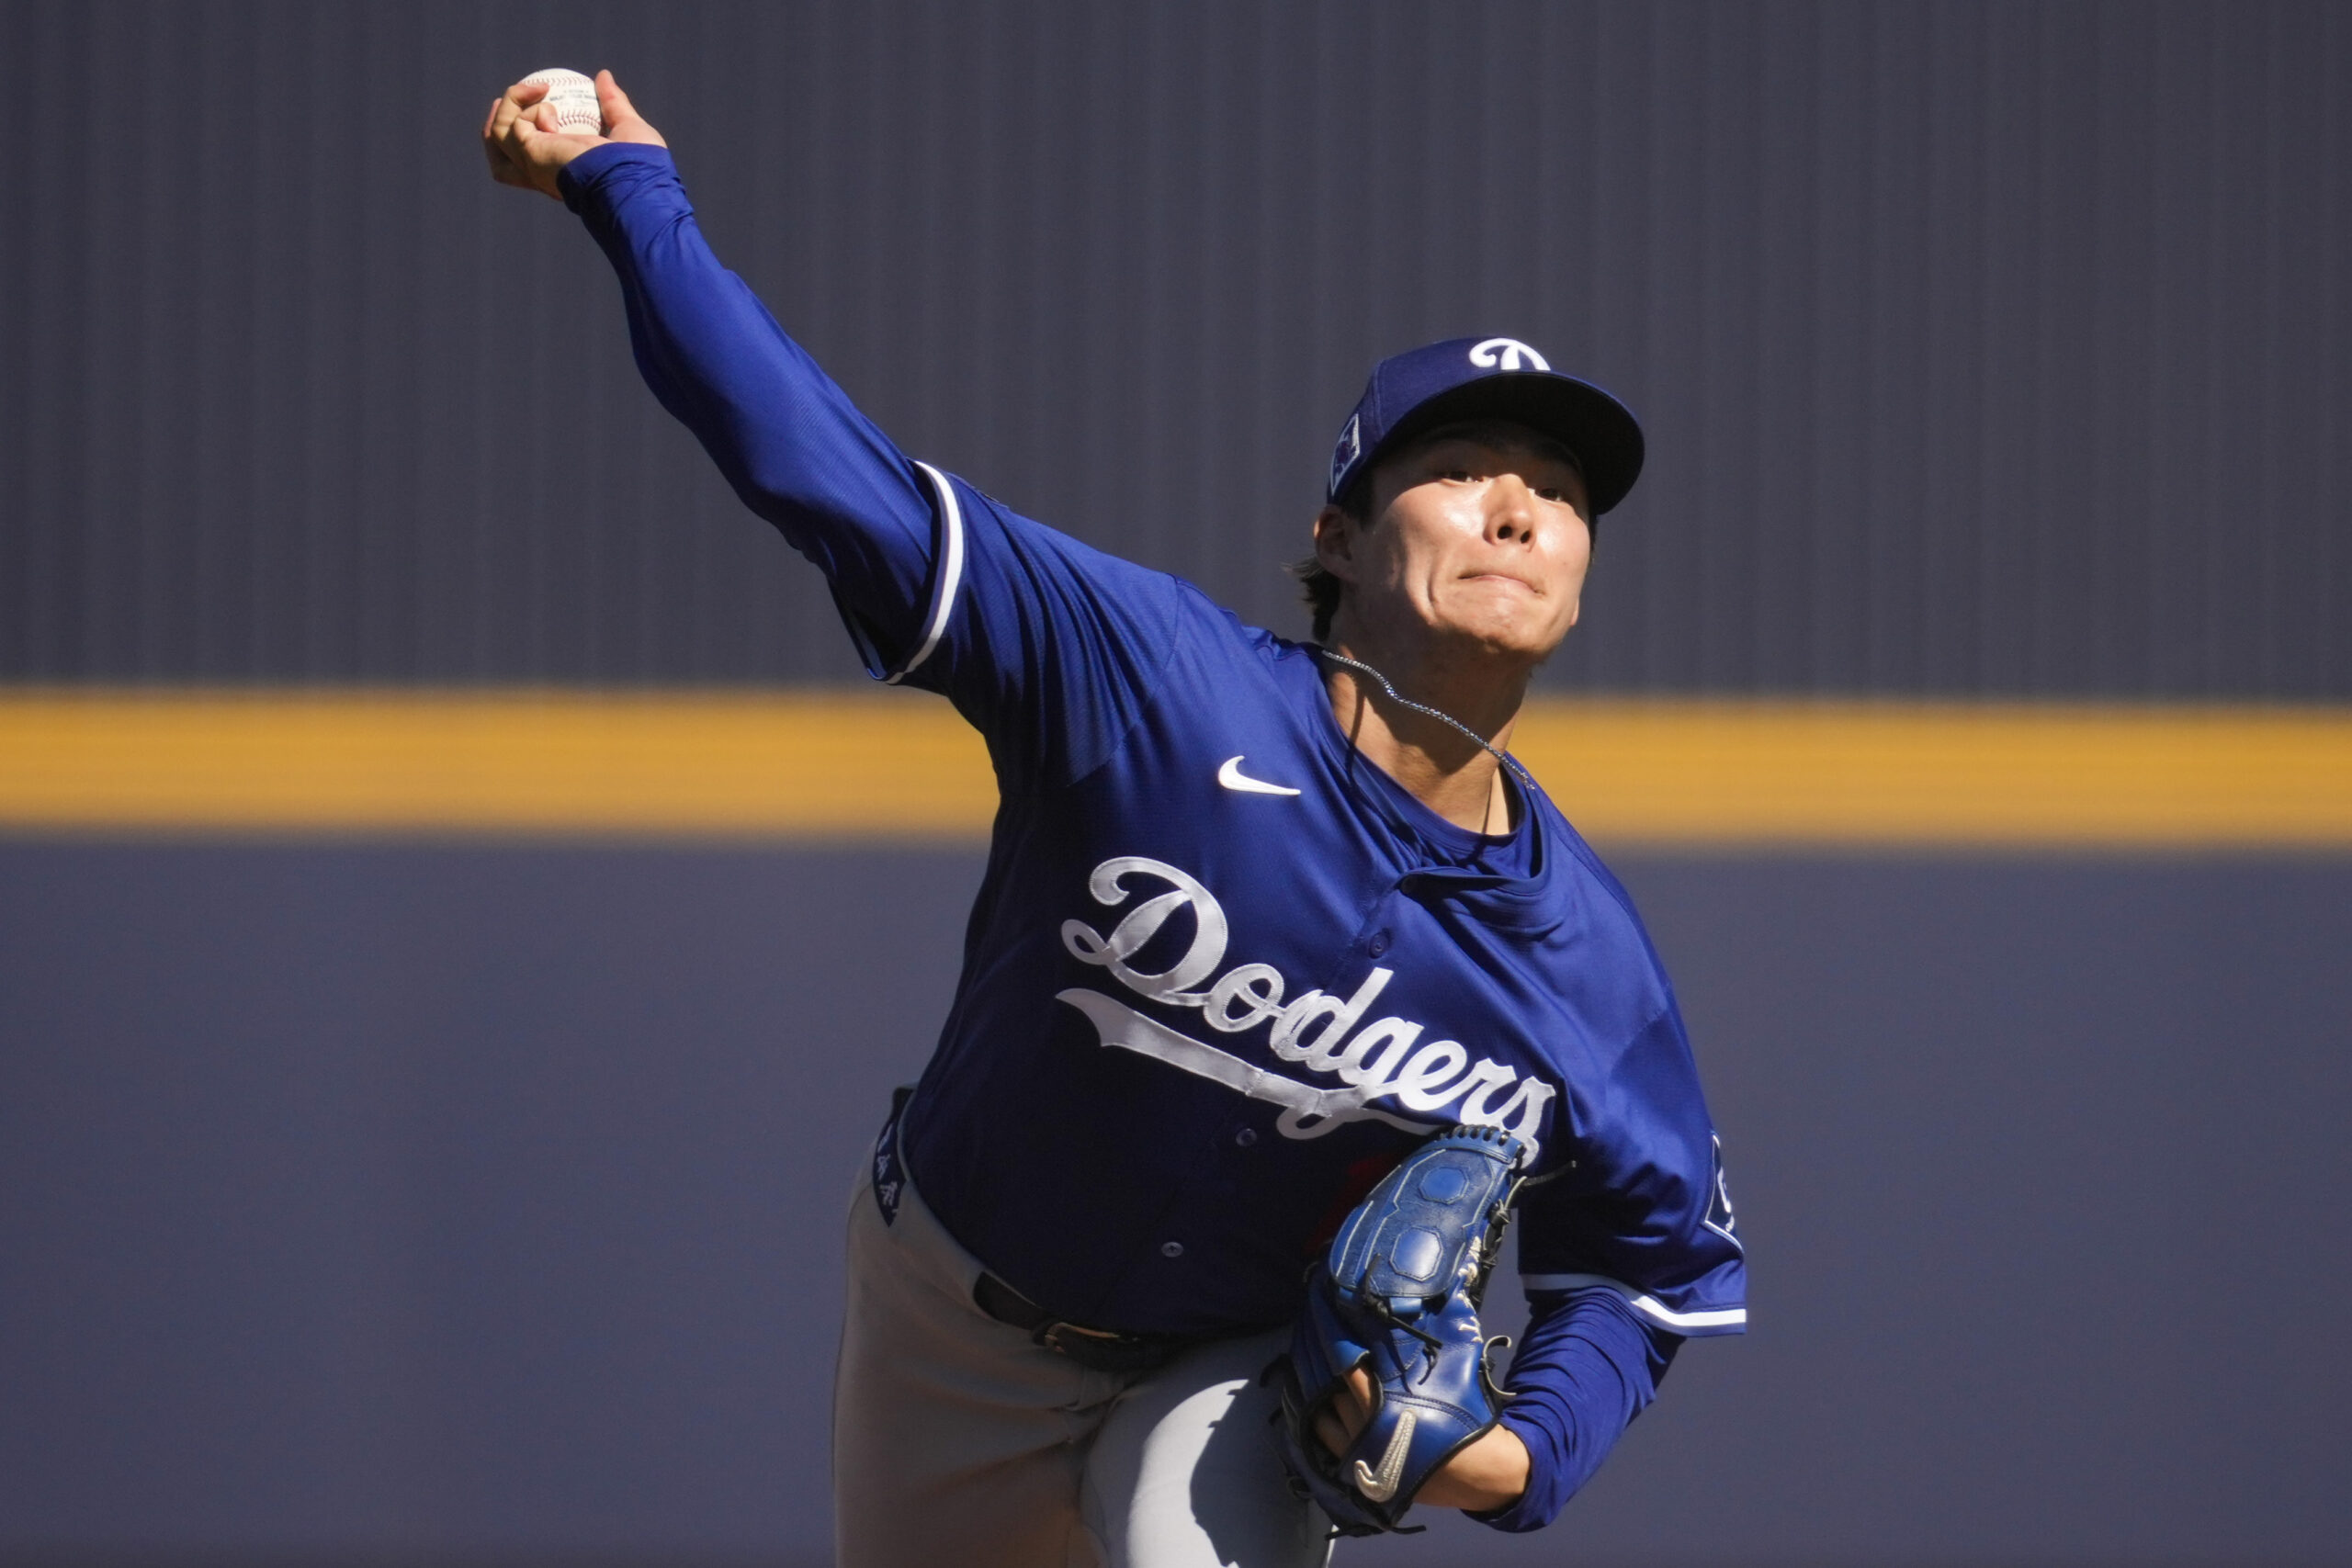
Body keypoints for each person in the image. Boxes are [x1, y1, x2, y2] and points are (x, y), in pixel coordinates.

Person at [483, 70, 1746, 1568]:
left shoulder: (1583, 960)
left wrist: (1521, 1452)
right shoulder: (1152, 681)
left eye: (1556, 490)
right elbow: (818, 471)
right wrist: (630, 197)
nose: (1516, 509)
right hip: (952, 1313)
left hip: (1231, 1369)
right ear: (1335, 537)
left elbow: (1651, 1269)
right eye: (1460, 469)